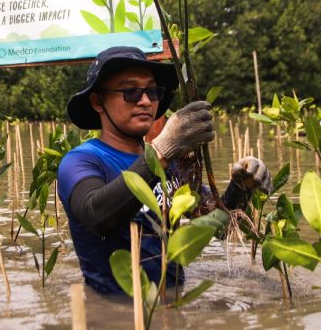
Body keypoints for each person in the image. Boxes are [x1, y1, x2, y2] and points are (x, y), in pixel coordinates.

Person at [57, 46, 273, 295]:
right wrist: (161, 151)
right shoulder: (81, 161)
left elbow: (217, 225)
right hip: (118, 307)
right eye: (130, 92)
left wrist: (241, 187)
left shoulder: (171, 166)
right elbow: (96, 215)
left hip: (173, 301)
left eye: (152, 91)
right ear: (98, 102)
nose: (145, 101)